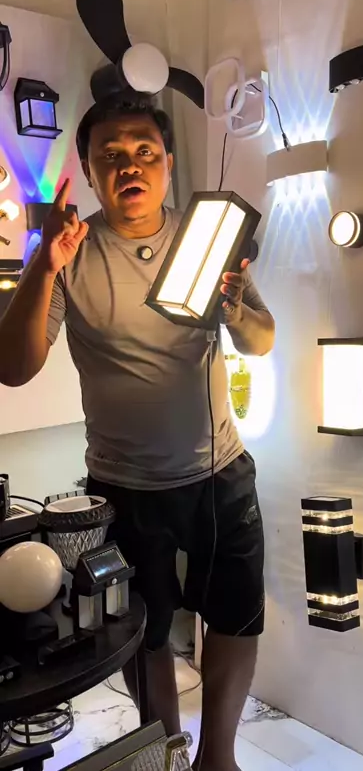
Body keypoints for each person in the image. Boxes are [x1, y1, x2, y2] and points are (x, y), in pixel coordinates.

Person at [0, 94, 275, 771]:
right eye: (112, 155)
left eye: (146, 151)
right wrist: (44, 264)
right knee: (140, 630)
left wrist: (236, 311)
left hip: (220, 470)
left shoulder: (207, 236)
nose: (131, 165)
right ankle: (167, 752)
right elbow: (13, 366)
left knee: (236, 615)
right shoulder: (71, 252)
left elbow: (263, 338)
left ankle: (218, 757)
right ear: (91, 172)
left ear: (168, 164)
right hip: (124, 485)